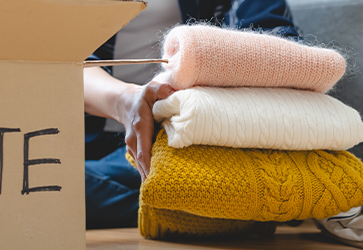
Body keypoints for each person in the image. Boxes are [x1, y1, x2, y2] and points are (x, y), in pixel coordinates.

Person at [83, 0, 303, 229]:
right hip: (86, 132)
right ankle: (244, 204)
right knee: (50, 180)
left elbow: (281, 47)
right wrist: (127, 101)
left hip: (180, 137)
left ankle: (238, 202)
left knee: (59, 187)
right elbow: (61, 60)